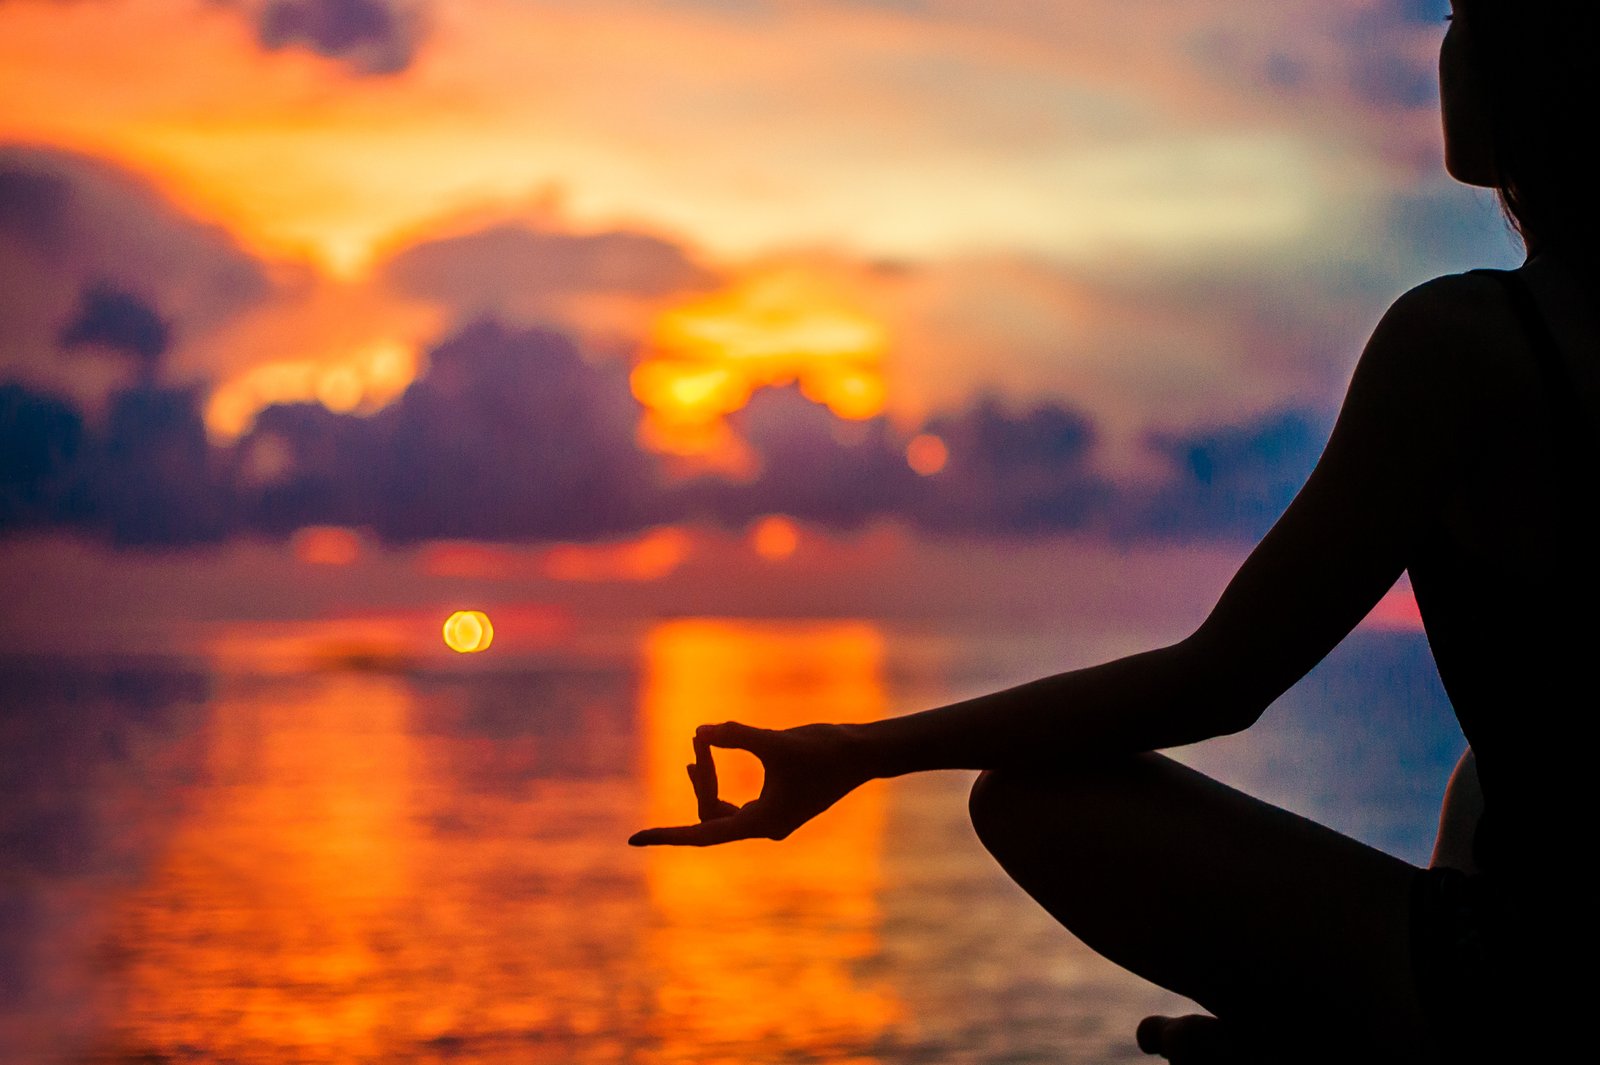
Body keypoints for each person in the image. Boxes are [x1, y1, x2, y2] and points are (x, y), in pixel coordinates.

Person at [629, 2, 1597, 1061]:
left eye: (1461, 14)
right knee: (1475, 779)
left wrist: (862, 754)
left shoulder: (1465, 345)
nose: (1441, 47)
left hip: (1535, 982)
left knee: (1037, 801)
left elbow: (1221, 681)